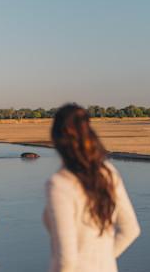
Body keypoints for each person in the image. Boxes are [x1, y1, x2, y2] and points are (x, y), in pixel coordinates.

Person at [43, 104, 140, 272]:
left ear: (56, 138)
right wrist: (102, 261)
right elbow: (130, 230)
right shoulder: (108, 172)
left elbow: (66, 260)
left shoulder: (60, 184)